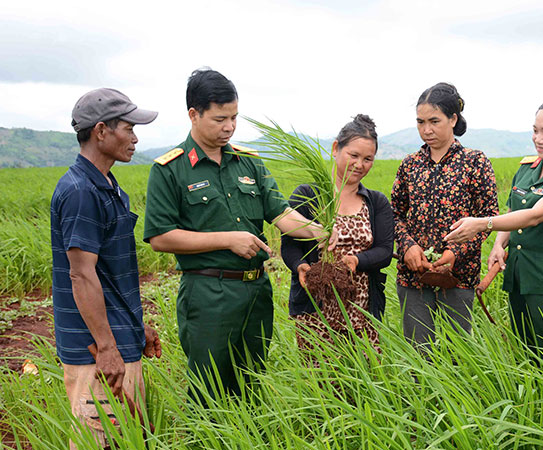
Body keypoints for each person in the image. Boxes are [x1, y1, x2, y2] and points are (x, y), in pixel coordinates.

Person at [143, 69, 334, 401]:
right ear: (193, 114)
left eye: (233, 118)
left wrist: (321, 231)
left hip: (255, 291)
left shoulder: (249, 163)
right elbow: (161, 237)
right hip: (208, 291)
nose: (229, 127)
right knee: (209, 388)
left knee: (252, 382)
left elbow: (282, 215)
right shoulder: (170, 169)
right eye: (219, 119)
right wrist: (227, 238)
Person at [51, 88, 161, 450]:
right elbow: (81, 275)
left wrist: (136, 326)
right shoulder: (81, 192)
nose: (135, 138)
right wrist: (107, 345)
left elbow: (108, 273)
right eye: (128, 129)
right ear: (101, 131)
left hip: (116, 337)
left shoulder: (109, 187)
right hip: (96, 351)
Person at [446, 97, 543, 357]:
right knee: (524, 352)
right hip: (519, 276)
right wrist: (500, 244)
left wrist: (483, 224)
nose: (538, 139)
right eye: (535, 131)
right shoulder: (528, 168)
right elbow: (514, 211)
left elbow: (533, 216)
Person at [392, 82, 498, 351]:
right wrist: (408, 247)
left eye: (434, 121)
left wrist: (455, 252)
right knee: (419, 353)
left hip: (458, 275)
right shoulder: (409, 164)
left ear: (453, 119)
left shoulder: (475, 162)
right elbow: (393, 214)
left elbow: (488, 218)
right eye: (420, 122)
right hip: (413, 274)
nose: (426, 130)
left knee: (458, 353)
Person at [281, 114, 393, 356]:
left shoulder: (376, 202)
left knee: (367, 379)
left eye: (368, 159)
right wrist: (300, 266)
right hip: (315, 306)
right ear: (335, 148)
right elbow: (290, 245)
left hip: (362, 307)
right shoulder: (307, 195)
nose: (360, 164)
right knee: (321, 383)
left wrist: (356, 261)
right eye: (353, 155)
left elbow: (384, 251)